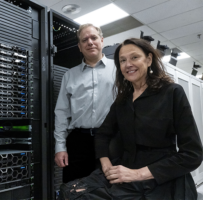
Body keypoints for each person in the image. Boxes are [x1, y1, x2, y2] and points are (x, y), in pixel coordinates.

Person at [59, 38, 203, 200]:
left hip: (162, 174)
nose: (128, 64)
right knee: (69, 193)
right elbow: (102, 135)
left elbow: (193, 154)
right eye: (122, 60)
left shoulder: (172, 93)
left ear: (149, 60)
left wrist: (137, 174)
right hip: (125, 167)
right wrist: (106, 165)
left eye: (134, 57)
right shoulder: (122, 101)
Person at [54, 23, 116, 183]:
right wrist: (60, 147)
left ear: (102, 41)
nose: (90, 42)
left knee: (110, 189)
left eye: (94, 37)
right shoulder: (69, 75)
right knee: (75, 189)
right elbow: (61, 113)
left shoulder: (119, 70)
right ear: (79, 47)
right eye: (84, 40)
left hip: (111, 140)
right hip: (78, 143)